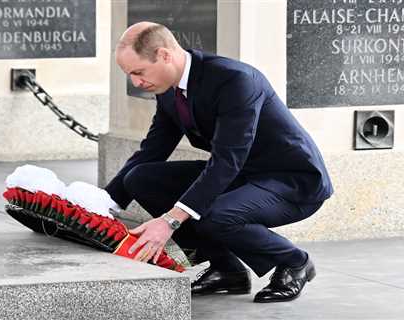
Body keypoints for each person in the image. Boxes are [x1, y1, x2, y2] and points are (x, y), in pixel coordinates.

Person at [104, 21, 333, 303]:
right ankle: (226, 270)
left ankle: (294, 261)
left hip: (291, 181)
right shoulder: (167, 90)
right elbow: (153, 150)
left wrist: (169, 221)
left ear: (164, 55)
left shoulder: (234, 79)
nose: (136, 82)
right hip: (243, 175)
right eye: (130, 75)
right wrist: (103, 204)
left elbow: (227, 160)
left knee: (214, 214)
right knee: (140, 178)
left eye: (139, 72)